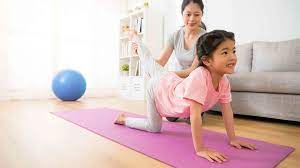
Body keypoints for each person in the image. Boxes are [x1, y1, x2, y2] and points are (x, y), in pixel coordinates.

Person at [114, 30, 256, 163]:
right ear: (207, 61)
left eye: (234, 51)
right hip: (158, 87)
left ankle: (136, 39)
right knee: (153, 127)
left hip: (171, 82)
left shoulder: (224, 81)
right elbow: (195, 116)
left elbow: (227, 111)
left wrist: (233, 139)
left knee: (149, 63)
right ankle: (124, 119)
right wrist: (200, 149)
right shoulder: (199, 77)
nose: (232, 57)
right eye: (225, 52)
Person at [133, 0, 207, 122]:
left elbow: (192, 70)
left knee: (191, 120)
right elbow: (161, 61)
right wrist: (141, 54)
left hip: (196, 82)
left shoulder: (205, 38)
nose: (192, 18)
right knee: (171, 117)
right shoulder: (175, 36)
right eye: (188, 14)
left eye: (197, 14)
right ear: (182, 14)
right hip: (179, 82)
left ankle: (200, 107)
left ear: (202, 14)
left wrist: (167, 75)